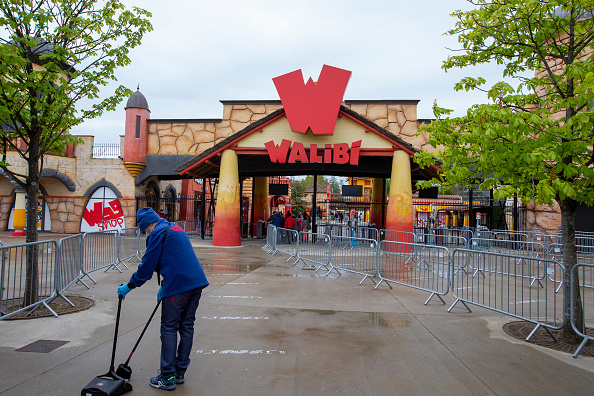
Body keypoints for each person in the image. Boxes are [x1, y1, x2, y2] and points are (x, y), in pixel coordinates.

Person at [117, 207, 209, 391]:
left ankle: (167, 377)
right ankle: (179, 372)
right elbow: (173, 258)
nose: (146, 233)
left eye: (145, 230)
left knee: (168, 328)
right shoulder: (175, 228)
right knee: (186, 326)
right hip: (196, 282)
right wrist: (163, 285)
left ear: (148, 224)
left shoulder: (157, 232)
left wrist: (130, 285)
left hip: (178, 286)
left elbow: (147, 266)